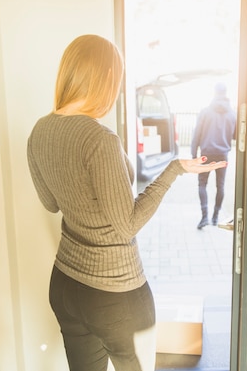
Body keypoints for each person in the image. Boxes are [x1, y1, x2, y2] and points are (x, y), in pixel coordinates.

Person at [26, 34, 227, 371]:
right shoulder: (99, 139)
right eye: (116, 81)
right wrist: (174, 169)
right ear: (105, 78)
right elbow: (127, 225)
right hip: (114, 296)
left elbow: (51, 203)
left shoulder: (40, 130)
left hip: (65, 285)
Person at [190, 82, 237, 229]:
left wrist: (193, 154)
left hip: (206, 154)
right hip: (222, 155)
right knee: (220, 186)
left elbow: (197, 133)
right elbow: (235, 136)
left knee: (202, 184)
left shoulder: (205, 112)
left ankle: (204, 217)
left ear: (215, 93)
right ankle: (215, 217)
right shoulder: (232, 114)